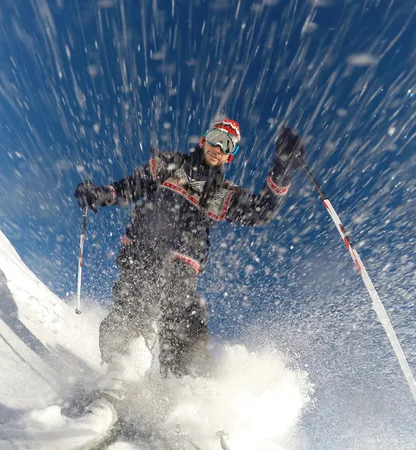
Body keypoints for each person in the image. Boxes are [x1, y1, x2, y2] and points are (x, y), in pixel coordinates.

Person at [74, 120, 305, 427]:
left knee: (185, 318)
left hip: (184, 261)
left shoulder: (221, 192)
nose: (219, 147)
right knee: (134, 306)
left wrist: (283, 167)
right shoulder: (170, 164)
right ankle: (112, 391)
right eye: (216, 138)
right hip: (144, 248)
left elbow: (262, 211)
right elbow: (130, 186)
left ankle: (177, 404)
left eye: (228, 145)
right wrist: (100, 193)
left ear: (230, 157)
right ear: (203, 140)